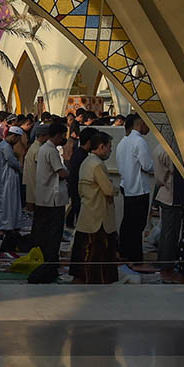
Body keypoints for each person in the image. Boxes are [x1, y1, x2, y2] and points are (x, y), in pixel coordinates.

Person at [73, 130, 118, 283]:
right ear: (101, 147)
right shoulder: (98, 165)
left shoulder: (86, 161)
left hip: (87, 211)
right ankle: (96, 280)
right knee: (98, 253)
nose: (110, 150)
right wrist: (115, 188)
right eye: (109, 147)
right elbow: (108, 190)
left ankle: (82, 278)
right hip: (99, 216)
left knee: (85, 250)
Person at [116, 113, 154, 265]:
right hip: (138, 188)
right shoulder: (139, 141)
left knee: (128, 222)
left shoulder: (122, 142)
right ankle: (135, 257)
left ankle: (125, 252)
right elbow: (147, 165)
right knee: (137, 225)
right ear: (141, 123)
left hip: (126, 185)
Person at [33, 122, 69, 277]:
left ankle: (46, 260)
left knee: (45, 231)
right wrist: (70, 172)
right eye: (63, 135)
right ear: (58, 135)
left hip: (44, 197)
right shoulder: (51, 151)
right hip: (53, 198)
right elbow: (61, 172)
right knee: (54, 233)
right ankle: (51, 263)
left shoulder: (44, 149)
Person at [0, 125, 26, 252]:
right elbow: (11, 161)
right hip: (6, 179)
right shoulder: (5, 146)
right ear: (14, 136)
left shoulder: (4, 146)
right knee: (7, 204)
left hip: (8, 178)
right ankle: (5, 227)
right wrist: (20, 166)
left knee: (9, 203)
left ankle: (8, 225)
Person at [153, 144, 181, 280]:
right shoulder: (168, 150)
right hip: (170, 193)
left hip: (165, 192)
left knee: (166, 231)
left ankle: (164, 262)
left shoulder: (159, 148)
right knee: (170, 232)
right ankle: (166, 266)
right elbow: (172, 170)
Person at [23, 123, 49, 211]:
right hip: (35, 184)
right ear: (43, 135)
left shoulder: (34, 146)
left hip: (31, 183)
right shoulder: (39, 149)